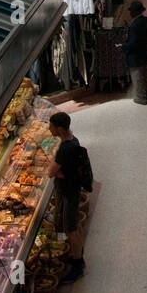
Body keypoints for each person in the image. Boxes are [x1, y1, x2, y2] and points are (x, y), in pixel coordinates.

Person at [47, 111, 86, 283]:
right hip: (73, 189)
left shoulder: (64, 149)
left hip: (69, 192)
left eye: (52, 126)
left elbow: (49, 173)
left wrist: (55, 167)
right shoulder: (73, 140)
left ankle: (78, 264)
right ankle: (77, 253)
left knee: (71, 229)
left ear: (60, 129)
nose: (49, 129)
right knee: (73, 225)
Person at [124, 0, 147, 105]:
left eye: (131, 11)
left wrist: (124, 46)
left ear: (135, 12)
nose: (130, 13)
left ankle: (140, 97)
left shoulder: (134, 26)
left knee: (137, 77)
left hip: (136, 56)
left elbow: (133, 43)